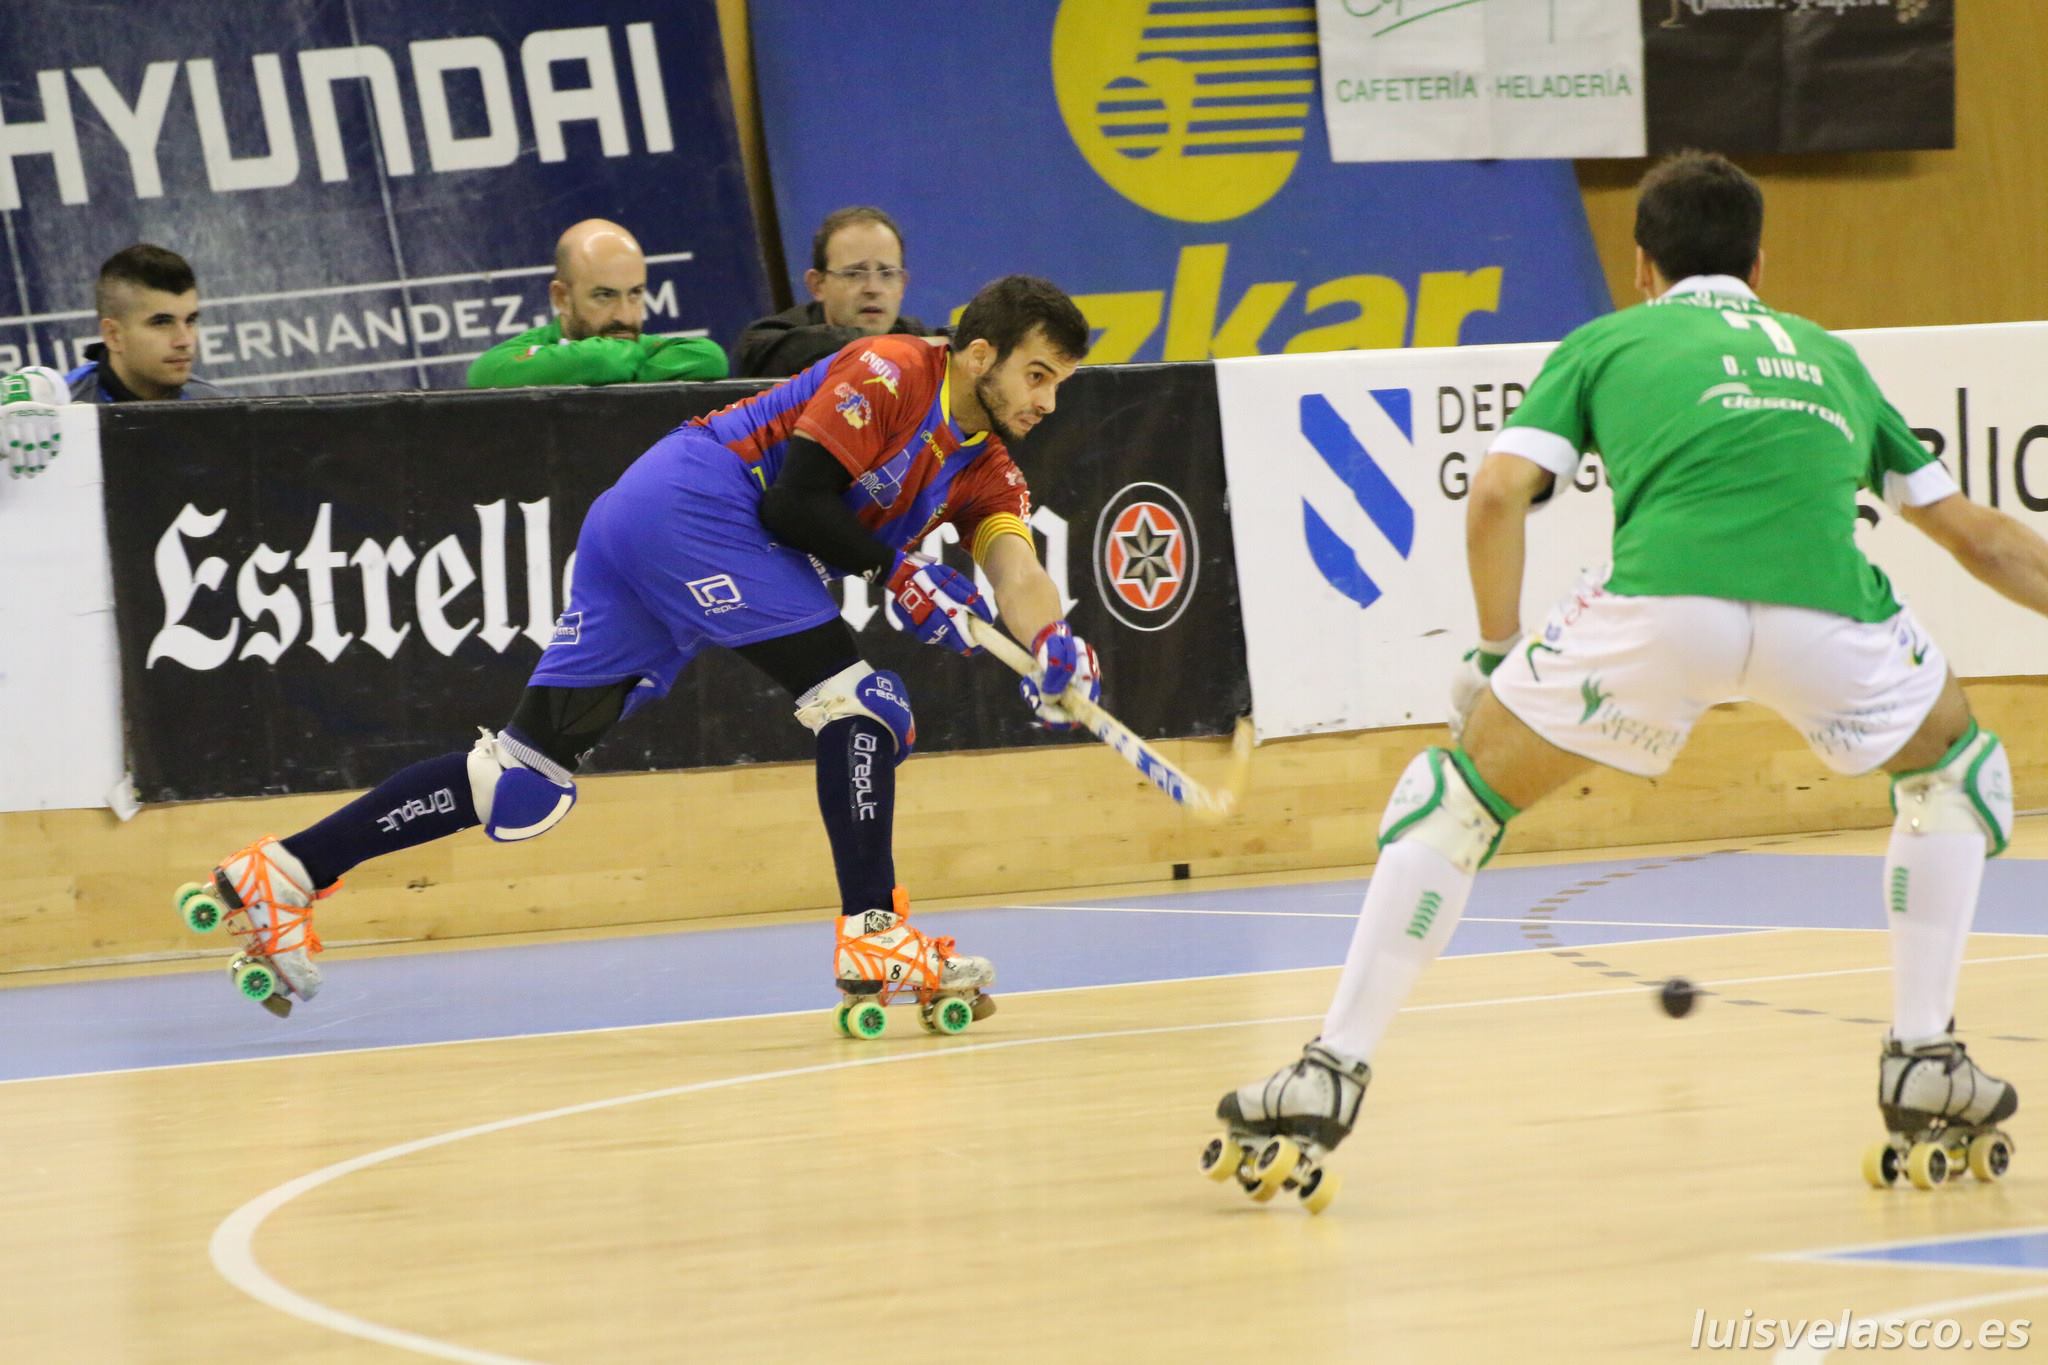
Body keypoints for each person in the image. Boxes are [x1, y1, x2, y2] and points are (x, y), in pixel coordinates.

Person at [1209, 151, 2043, 1207]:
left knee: (1456, 799)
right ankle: (1923, 1053)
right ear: (1759, 261)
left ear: (1641, 263)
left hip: (1659, 612)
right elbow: (1976, 536)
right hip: (1828, 617)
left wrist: (1494, 654)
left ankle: (1329, 1070)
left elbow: (1495, 493)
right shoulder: (1826, 354)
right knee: (1955, 769)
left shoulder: (1604, 342)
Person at [179, 275, 1099, 1034]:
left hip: (655, 524)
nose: (1046, 402)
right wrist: (898, 570)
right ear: (979, 354)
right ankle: (874, 932)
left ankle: (281, 873)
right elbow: (794, 503)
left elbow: (1014, 567)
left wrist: (1051, 642)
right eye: (1037, 375)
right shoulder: (891, 369)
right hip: (702, 503)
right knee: (862, 705)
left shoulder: (987, 465)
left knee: (521, 778)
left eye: (1058, 384)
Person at [3, 244, 224, 478]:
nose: (185, 340)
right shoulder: (58, 414)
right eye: (162, 322)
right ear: (113, 335)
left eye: (190, 321)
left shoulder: (221, 412)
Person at [466, 220, 729, 388]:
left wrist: (601, 369)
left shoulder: (636, 347)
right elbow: (480, 375)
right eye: (604, 295)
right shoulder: (517, 353)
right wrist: (609, 363)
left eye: (635, 293)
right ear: (561, 298)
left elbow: (709, 357)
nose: (625, 315)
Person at [731, 207, 937, 379]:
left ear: (902, 285)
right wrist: (897, 349)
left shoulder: (916, 336)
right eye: (854, 274)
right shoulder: (770, 343)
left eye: (887, 274)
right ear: (817, 285)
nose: (873, 288)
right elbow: (757, 353)